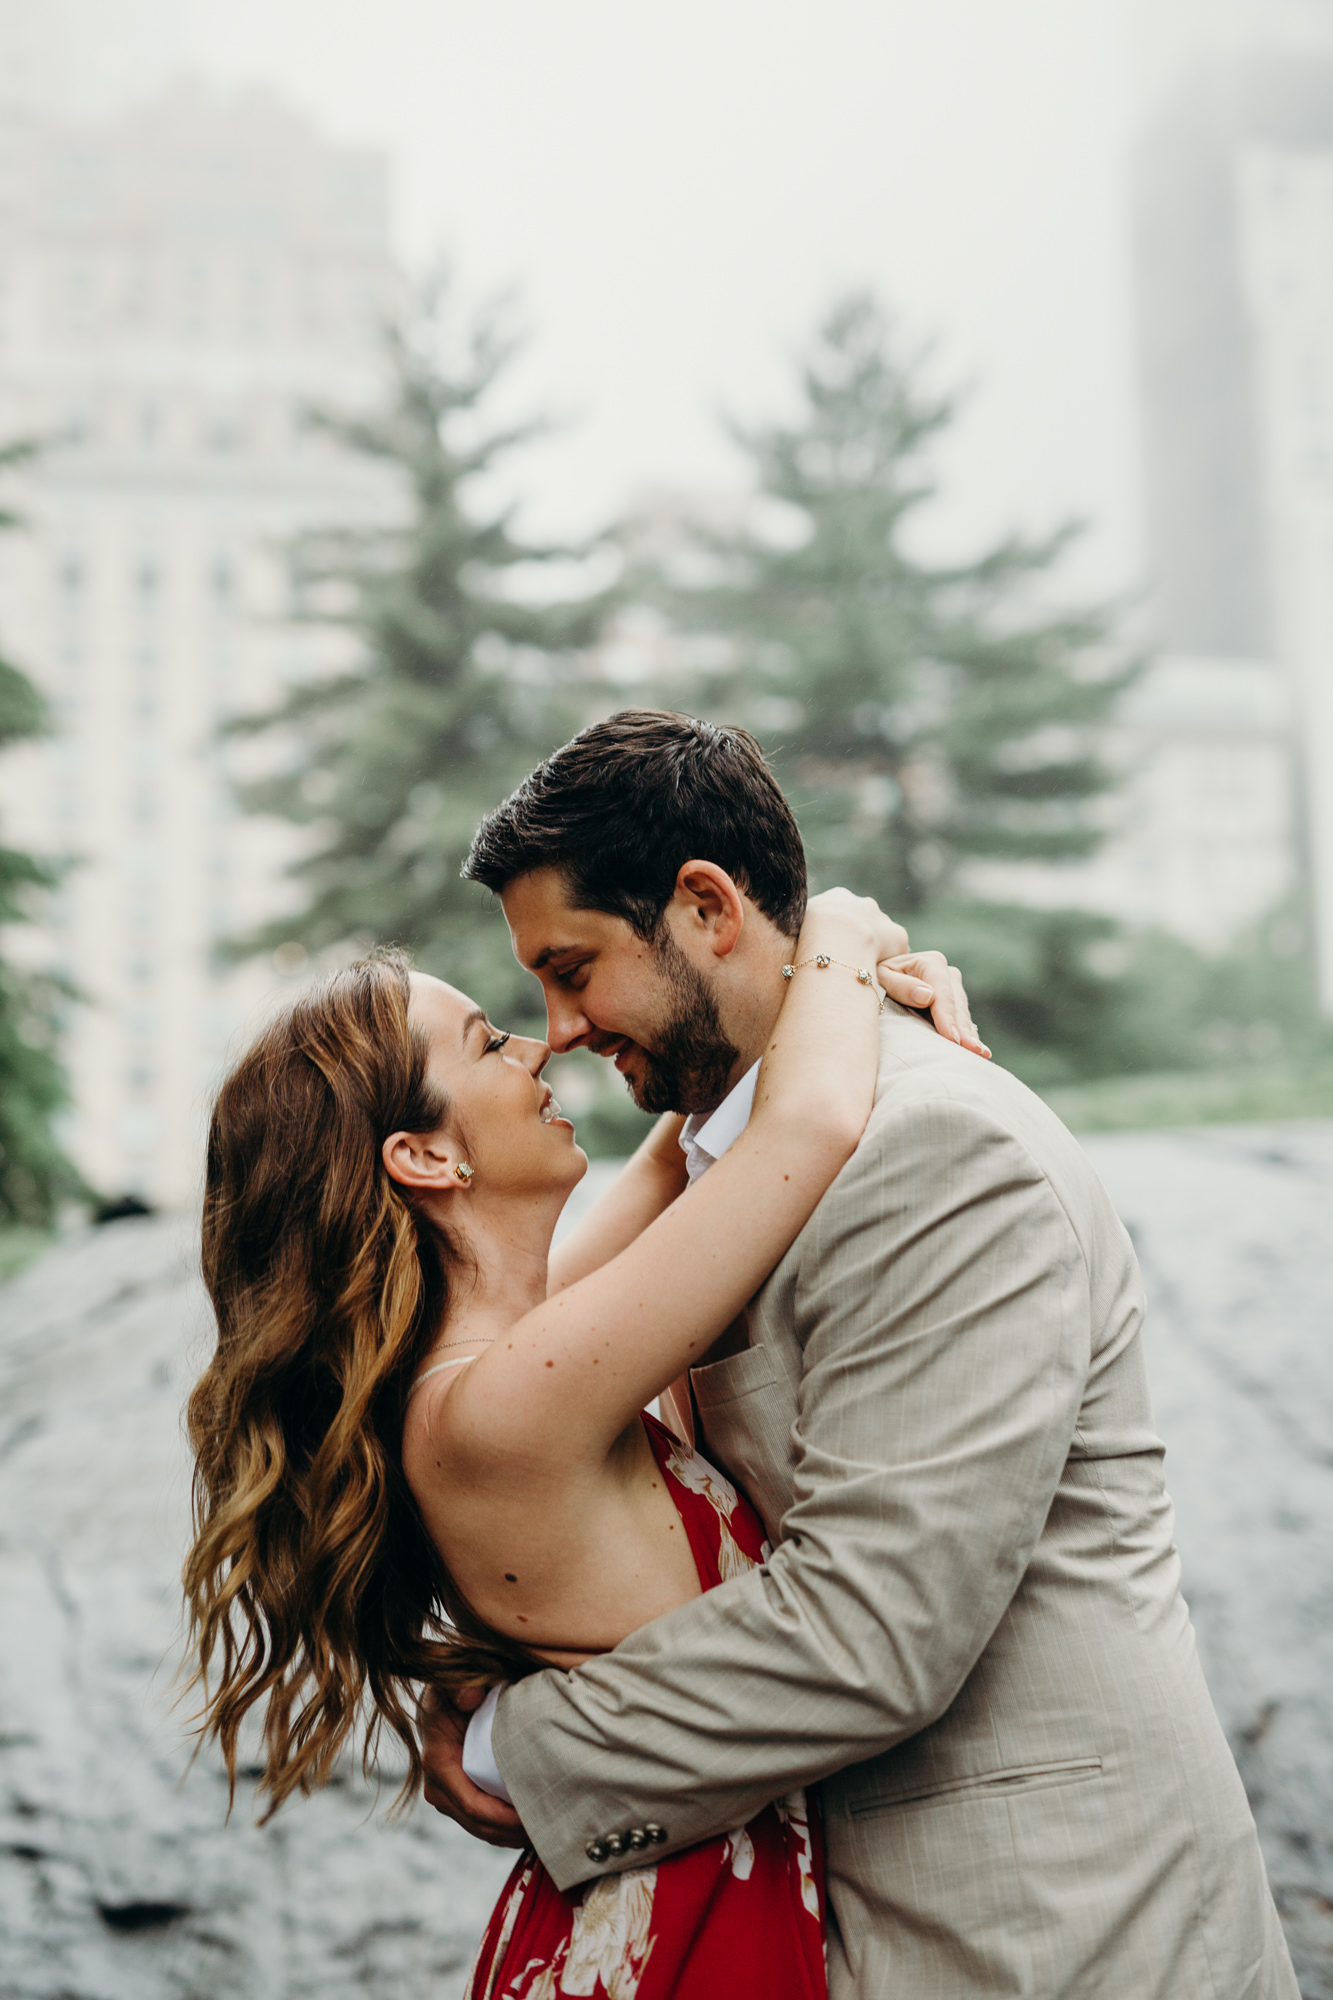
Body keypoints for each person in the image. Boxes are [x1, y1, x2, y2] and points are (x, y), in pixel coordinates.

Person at [420, 708, 1298, 2000]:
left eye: (573, 967)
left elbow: (875, 1622)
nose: (554, 1027)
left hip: (1053, 1937)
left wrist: (518, 1748)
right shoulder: (729, 1162)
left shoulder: (932, 1152)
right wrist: (843, 931)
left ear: (707, 907)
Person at [183, 871, 968, 1997]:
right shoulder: (498, 1404)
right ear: (425, 1158)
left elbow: (696, 1130)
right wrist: (838, 921)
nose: (537, 1050)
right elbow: (804, 1123)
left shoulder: (529, 1344)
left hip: (707, 1891)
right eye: (487, 1042)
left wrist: (838, 988)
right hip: (677, 1936)